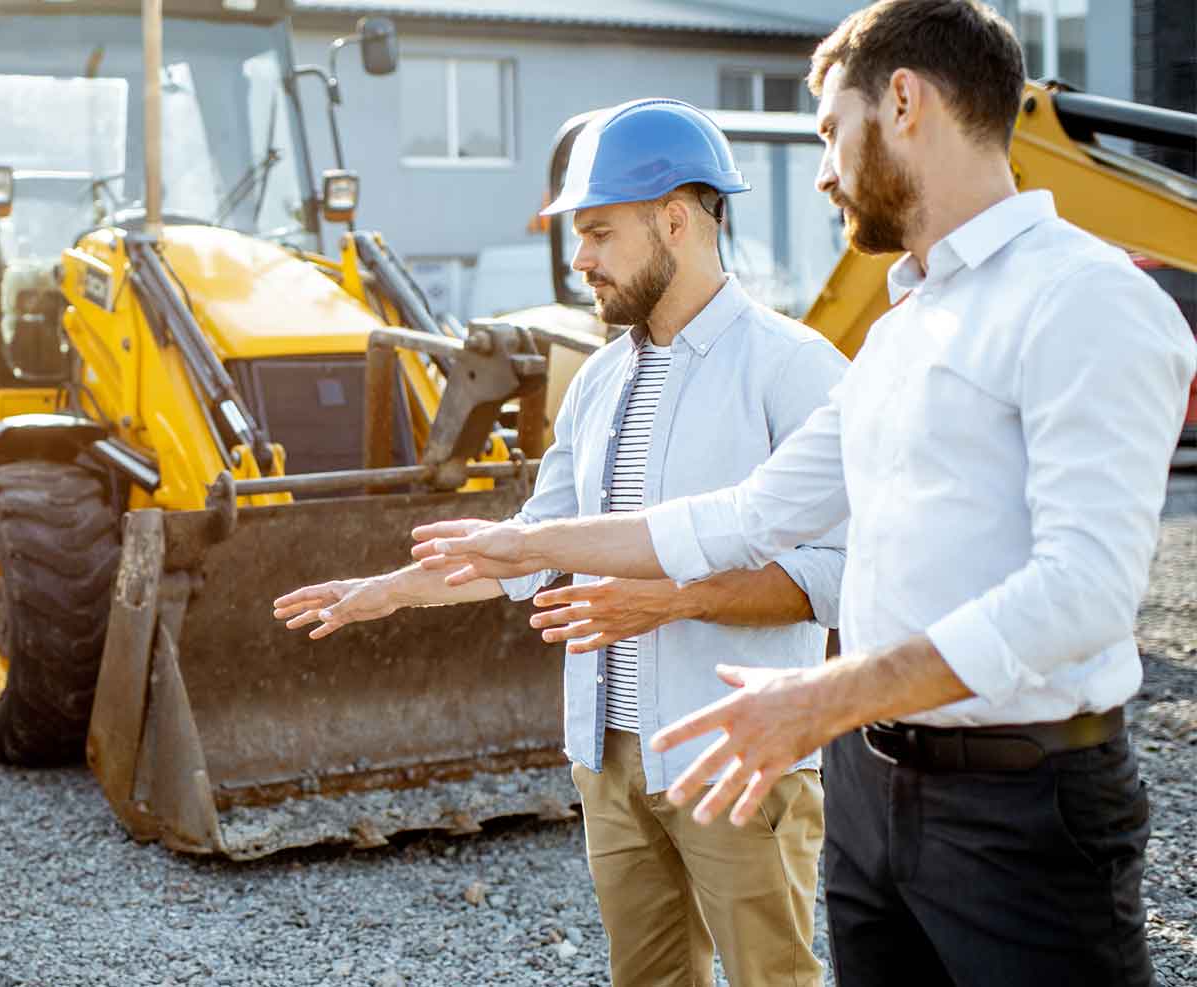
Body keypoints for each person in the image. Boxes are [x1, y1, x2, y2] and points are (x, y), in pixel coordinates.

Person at [409, 2, 1197, 984]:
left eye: (828, 130)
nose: (821, 170)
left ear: (901, 101)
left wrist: (823, 693)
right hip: (872, 788)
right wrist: (525, 549)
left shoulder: (1082, 299)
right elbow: (746, 515)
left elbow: (1084, 592)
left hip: (1021, 804)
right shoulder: (902, 329)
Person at [274, 98, 847, 987]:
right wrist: (388, 590)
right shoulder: (600, 381)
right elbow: (534, 547)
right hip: (610, 760)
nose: (580, 260)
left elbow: (835, 576)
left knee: (775, 980)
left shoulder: (793, 368)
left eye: (600, 233)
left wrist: (679, 598)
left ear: (675, 221)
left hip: (737, 759)